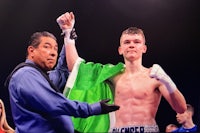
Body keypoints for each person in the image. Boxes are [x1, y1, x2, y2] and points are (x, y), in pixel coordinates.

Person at [56, 12, 187, 132]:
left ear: (144, 48)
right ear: (120, 49)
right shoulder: (112, 74)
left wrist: (167, 80)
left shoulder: (154, 77)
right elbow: (77, 68)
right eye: (127, 42)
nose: (131, 45)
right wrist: (68, 33)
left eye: (136, 42)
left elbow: (181, 109)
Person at [5, 31, 120, 133]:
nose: (53, 53)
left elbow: (63, 71)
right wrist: (92, 108)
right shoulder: (26, 75)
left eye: (55, 48)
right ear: (31, 51)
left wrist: (68, 37)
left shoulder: (42, 76)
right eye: (47, 47)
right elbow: (54, 103)